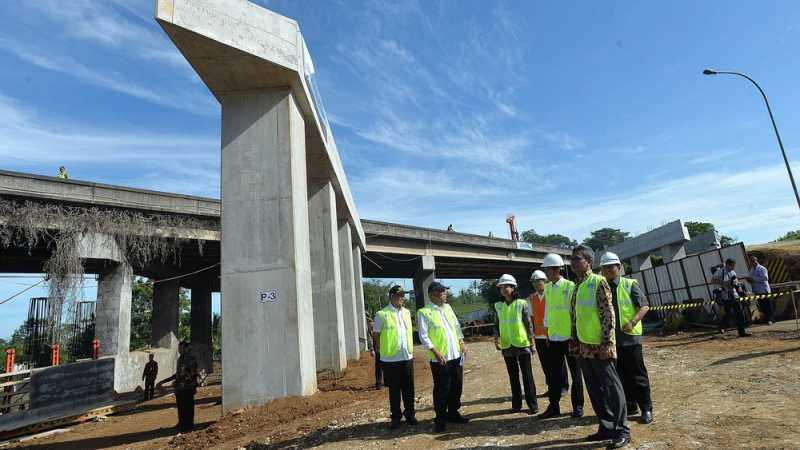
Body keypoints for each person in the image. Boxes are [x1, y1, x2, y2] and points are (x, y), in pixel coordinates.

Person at [570, 245, 630, 449]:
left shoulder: (598, 282)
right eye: (572, 259)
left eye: (577, 259)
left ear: (588, 261)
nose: (573, 262)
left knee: (612, 389)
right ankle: (606, 427)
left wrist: (606, 343)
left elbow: (608, 315)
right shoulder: (577, 286)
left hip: (600, 346)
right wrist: (575, 343)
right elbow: (575, 317)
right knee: (595, 390)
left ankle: (622, 430)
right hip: (584, 347)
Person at [599, 252, 653, 425]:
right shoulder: (601, 287)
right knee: (621, 375)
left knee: (637, 374)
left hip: (630, 338)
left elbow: (644, 306)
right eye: (605, 267)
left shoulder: (629, 284)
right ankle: (630, 405)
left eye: (611, 266)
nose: (608, 270)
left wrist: (633, 321)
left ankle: (646, 408)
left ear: (619, 267)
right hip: (612, 340)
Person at [418, 281, 469, 433]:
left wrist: (462, 343)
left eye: (445, 291)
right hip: (441, 358)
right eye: (442, 292)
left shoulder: (448, 308)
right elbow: (423, 335)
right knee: (442, 389)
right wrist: (435, 352)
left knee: (457, 385)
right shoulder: (424, 312)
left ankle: (453, 413)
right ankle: (440, 419)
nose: (445, 294)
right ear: (433, 294)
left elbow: (456, 327)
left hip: (456, 355)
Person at [538, 253, 584, 420]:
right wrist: (548, 332)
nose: (546, 273)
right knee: (554, 375)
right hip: (555, 338)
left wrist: (576, 334)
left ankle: (578, 406)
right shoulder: (548, 288)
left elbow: (576, 312)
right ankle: (554, 406)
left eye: (548, 270)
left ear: (555, 269)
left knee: (576, 374)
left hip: (570, 338)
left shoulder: (570, 286)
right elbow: (549, 310)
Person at [373, 285, 418, 429]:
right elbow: (376, 335)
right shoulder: (382, 314)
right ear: (392, 296)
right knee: (394, 390)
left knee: (409, 388)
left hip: (406, 356)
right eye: (400, 295)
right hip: (390, 359)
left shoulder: (406, 312)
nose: (403, 298)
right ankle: (396, 417)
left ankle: (410, 414)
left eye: (403, 295)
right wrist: (382, 349)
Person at [494, 274, 538, 415]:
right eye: (501, 287)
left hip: (521, 344)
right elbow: (496, 324)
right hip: (507, 345)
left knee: (527, 376)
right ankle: (516, 405)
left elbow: (528, 324)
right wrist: (496, 338)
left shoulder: (521, 304)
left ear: (513, 287)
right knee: (513, 377)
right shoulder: (498, 306)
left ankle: (533, 405)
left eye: (507, 286)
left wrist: (532, 343)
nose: (504, 289)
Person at [529, 270, 566, 405]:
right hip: (539, 335)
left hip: (553, 334)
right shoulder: (532, 298)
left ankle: (563, 386)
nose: (536, 284)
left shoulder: (551, 294)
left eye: (539, 281)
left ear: (545, 281)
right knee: (546, 364)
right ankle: (551, 387)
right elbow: (532, 318)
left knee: (558, 363)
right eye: (534, 282)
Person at [156, 341, 199, 433]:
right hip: (180, 388)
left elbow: (193, 374)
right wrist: (165, 381)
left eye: (182, 348)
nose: (180, 350)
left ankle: (188, 426)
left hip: (187, 388)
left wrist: (193, 386)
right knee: (180, 407)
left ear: (187, 348)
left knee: (188, 407)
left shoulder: (191, 359)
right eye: (179, 348)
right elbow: (178, 374)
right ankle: (181, 423)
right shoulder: (180, 359)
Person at [712, 259, 750, 337]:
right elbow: (713, 280)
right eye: (732, 265)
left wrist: (740, 289)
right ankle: (722, 326)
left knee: (739, 313)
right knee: (727, 314)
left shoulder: (732, 272)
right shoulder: (720, 271)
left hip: (734, 295)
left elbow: (736, 282)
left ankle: (742, 332)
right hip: (725, 296)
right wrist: (724, 283)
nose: (733, 267)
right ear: (727, 265)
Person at [742, 255, 773, 324]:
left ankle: (770, 319)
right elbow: (752, 280)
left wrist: (754, 279)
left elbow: (765, 278)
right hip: (757, 291)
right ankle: (765, 319)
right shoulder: (751, 270)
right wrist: (749, 280)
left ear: (756, 261)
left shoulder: (762, 268)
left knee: (767, 305)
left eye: (753, 261)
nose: (752, 262)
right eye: (751, 261)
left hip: (764, 290)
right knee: (762, 306)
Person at [366, 313, 384, 389]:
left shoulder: (374, 325)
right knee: (380, 365)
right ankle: (379, 383)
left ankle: (381, 383)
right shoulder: (373, 326)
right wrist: (372, 349)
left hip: (383, 347)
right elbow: (370, 338)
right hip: (379, 347)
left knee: (382, 365)